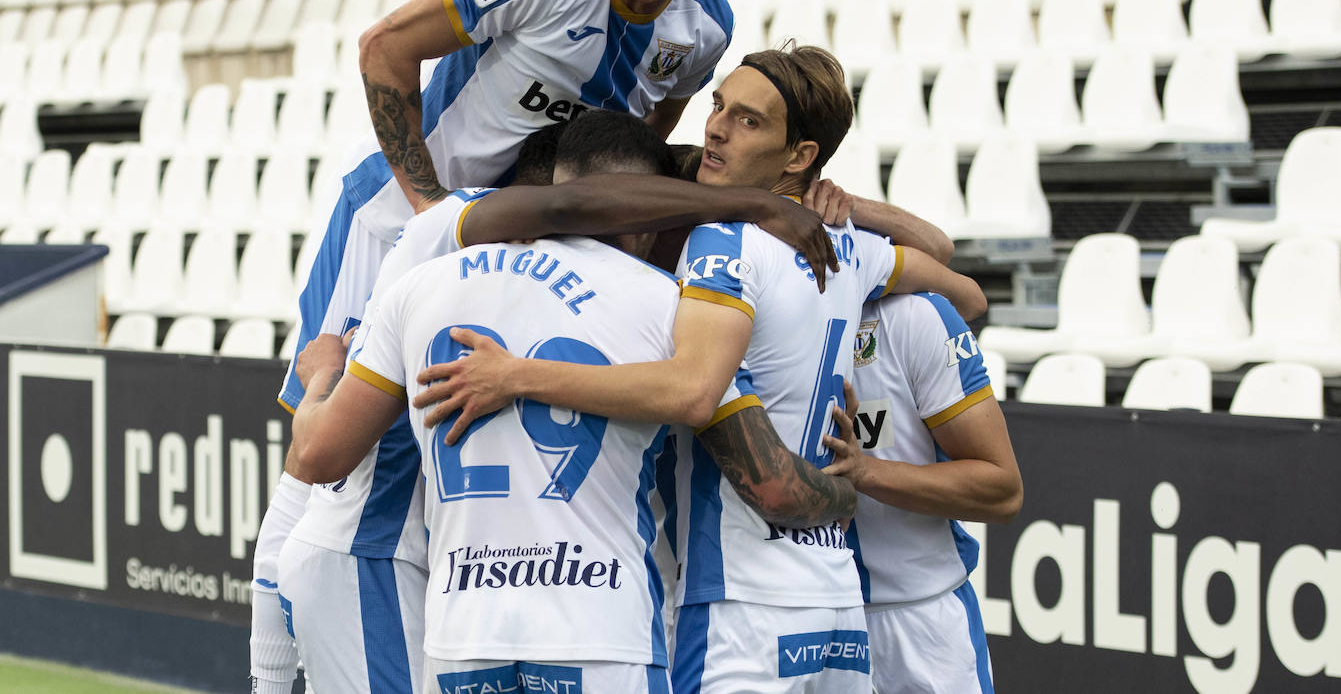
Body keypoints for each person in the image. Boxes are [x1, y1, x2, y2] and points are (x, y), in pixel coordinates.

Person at [251, 0, 769, 689]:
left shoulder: (702, 34)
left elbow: (626, 152)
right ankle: (270, 671)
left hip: (514, 246)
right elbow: (383, 48)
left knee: (445, 467)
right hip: (394, 229)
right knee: (322, 474)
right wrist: (431, 216)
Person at [416, 44, 986, 693]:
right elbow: (964, 293)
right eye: (718, 106)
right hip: (836, 603)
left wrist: (516, 375)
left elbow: (692, 390)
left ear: (799, 154)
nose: (714, 126)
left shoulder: (718, 240)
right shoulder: (849, 250)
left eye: (747, 121)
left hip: (738, 603)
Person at [285, 111, 850, 694]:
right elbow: (773, 485)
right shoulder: (670, 309)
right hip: (602, 637)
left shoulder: (421, 284)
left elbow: (316, 457)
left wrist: (323, 372)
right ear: (652, 213)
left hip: (463, 638)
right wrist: (850, 488)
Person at [820, 292, 1022, 694]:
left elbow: (1003, 492)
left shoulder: (915, 315)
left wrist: (866, 471)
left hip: (921, 622)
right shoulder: (766, 304)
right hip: (803, 618)